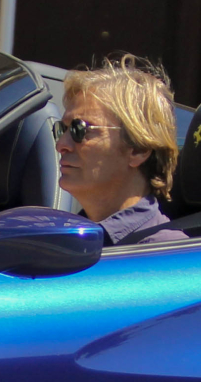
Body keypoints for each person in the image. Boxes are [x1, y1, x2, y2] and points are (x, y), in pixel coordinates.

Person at [54, 56, 187, 245]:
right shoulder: (63, 241)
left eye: (79, 129)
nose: (61, 144)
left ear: (139, 149)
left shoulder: (166, 257)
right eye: (62, 129)